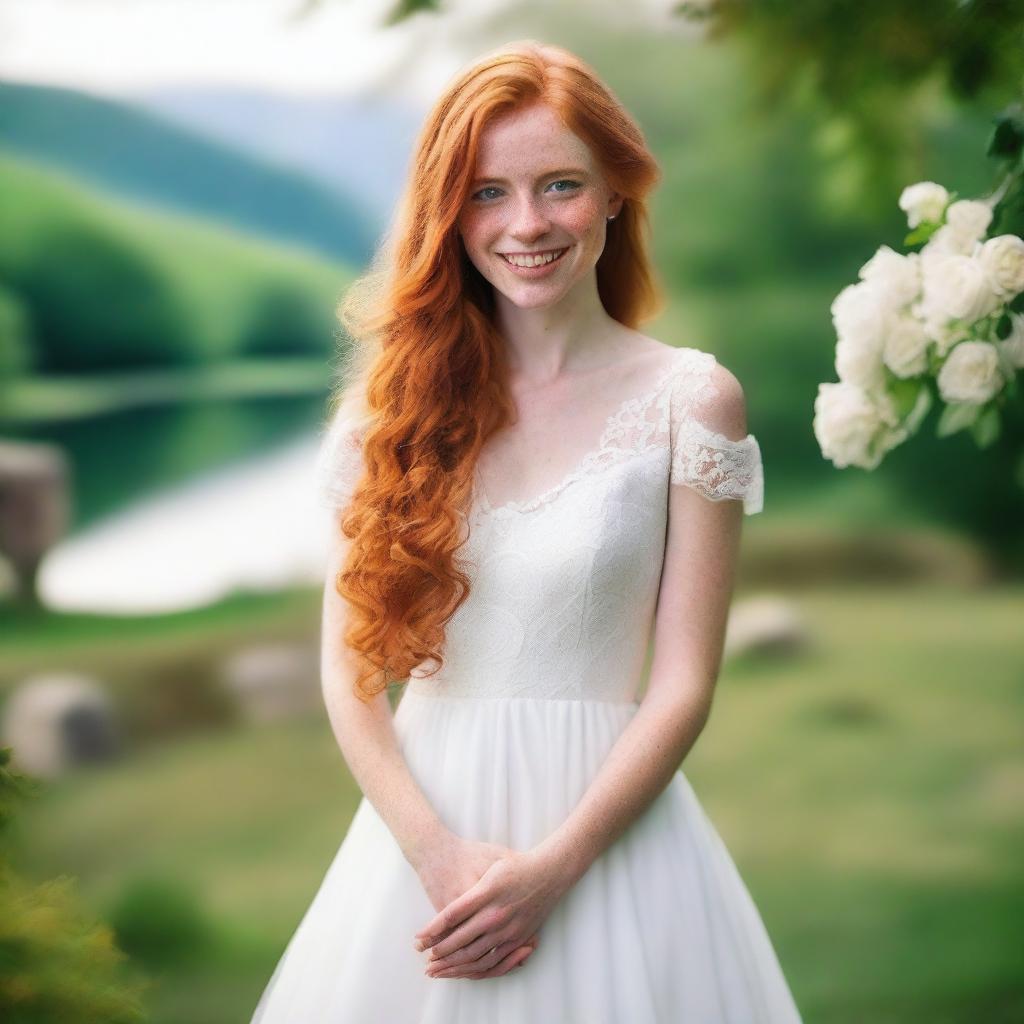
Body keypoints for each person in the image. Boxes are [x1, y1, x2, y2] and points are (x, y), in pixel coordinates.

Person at [250, 39, 802, 1023]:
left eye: (559, 185)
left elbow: (683, 684)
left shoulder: (691, 400)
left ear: (615, 193)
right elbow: (350, 678)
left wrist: (557, 865)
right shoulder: (383, 420)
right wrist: (438, 857)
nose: (527, 224)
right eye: (487, 193)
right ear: (448, 214)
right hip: (420, 848)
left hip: (613, 843)